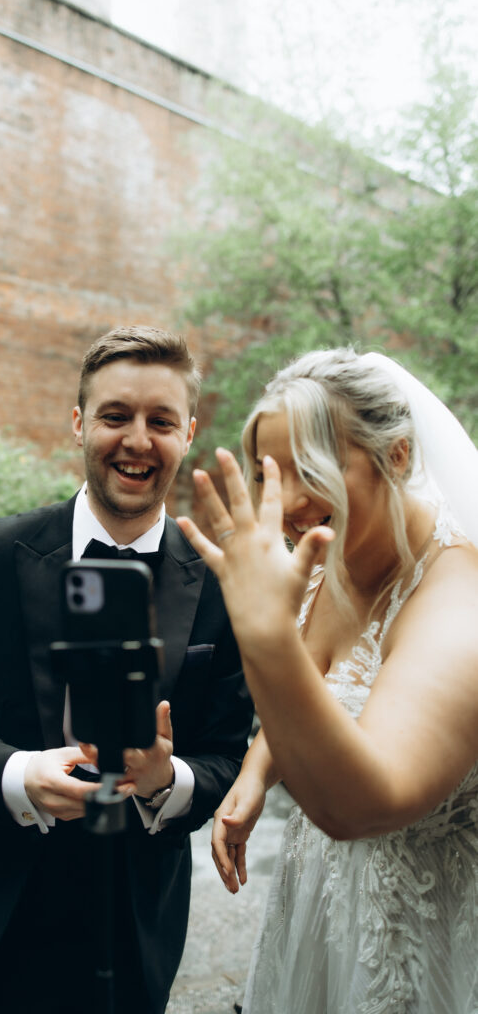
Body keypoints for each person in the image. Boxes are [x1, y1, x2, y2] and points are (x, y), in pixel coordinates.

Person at [0, 326, 253, 1014]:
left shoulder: (218, 580)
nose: (137, 440)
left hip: (134, 922)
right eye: (115, 415)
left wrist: (168, 780)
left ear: (187, 433)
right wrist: (16, 774)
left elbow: (225, 754)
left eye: (160, 421)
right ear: (78, 423)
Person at [176, 347, 478, 1014]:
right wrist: (253, 779)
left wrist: (262, 638)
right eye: (267, 475)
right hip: (320, 904)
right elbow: (313, 684)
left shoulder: (459, 603)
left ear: (395, 456)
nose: (282, 504)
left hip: (425, 929)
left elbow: (362, 807)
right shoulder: (326, 563)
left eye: (310, 470)